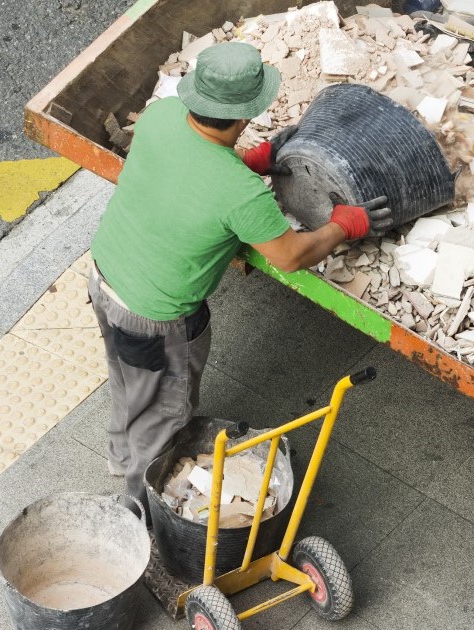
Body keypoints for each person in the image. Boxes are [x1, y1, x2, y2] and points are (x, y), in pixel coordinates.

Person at [88, 42, 392, 513]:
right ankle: (139, 510)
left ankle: (119, 456)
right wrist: (343, 225)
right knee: (164, 414)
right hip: (155, 316)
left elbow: (182, 175)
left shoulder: (162, 115)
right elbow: (290, 256)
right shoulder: (240, 195)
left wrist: (251, 161)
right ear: (246, 115)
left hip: (106, 272)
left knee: (128, 381)